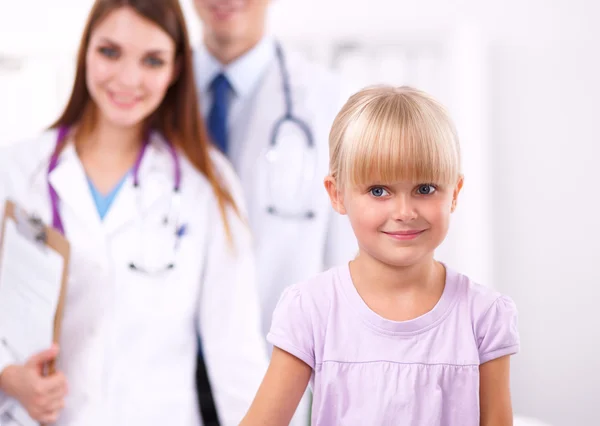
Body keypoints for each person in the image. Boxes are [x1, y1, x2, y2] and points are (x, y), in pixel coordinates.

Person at [0, 1, 267, 425]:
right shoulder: (15, 171)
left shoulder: (207, 184)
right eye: (109, 52)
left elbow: (237, 357)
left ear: (176, 69)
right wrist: (9, 378)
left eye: (152, 60)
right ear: (85, 50)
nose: (127, 78)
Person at [239, 85, 521, 426]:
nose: (404, 212)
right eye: (378, 191)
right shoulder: (311, 309)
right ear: (337, 194)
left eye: (425, 189)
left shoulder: (483, 315)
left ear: (454, 194)